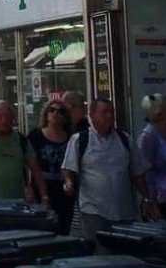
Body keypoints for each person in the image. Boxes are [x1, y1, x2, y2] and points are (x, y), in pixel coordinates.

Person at [62, 95, 153, 239]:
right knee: (97, 247)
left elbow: (137, 172)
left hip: (123, 210)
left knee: (122, 248)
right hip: (93, 210)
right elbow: (68, 167)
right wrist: (69, 182)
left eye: (111, 112)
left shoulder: (125, 140)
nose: (109, 116)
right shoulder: (80, 140)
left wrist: (146, 199)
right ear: (92, 115)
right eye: (104, 112)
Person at [27, 100, 74, 233]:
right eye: (52, 110)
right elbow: (26, 163)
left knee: (63, 228)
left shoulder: (72, 138)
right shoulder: (35, 136)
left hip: (63, 191)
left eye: (60, 111)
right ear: (46, 114)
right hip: (40, 188)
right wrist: (27, 187)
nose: (56, 114)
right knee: (41, 228)